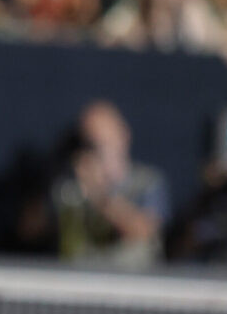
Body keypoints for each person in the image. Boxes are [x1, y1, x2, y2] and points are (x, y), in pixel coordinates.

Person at [53, 101, 169, 268]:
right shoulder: (70, 188)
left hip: (134, 282)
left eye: (106, 142)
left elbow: (145, 231)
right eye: (92, 144)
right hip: (83, 279)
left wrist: (99, 194)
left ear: (124, 136)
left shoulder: (148, 182)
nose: (101, 152)